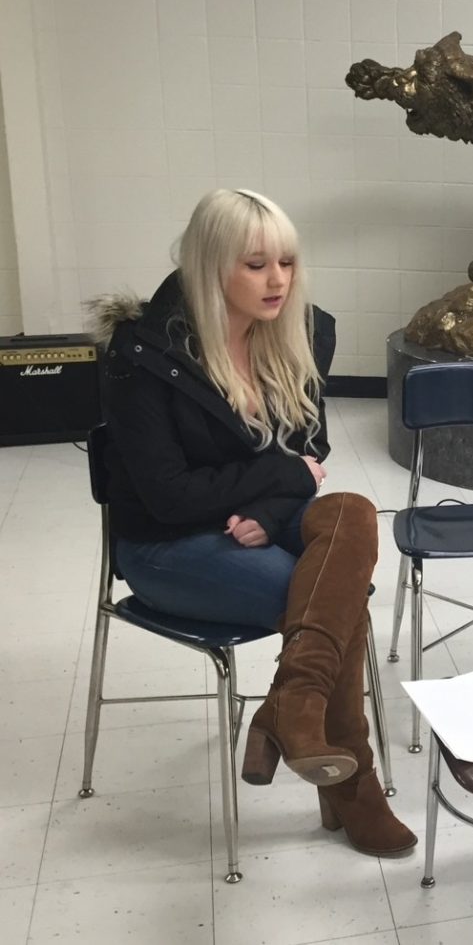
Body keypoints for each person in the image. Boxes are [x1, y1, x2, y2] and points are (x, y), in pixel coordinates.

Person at [89, 188, 416, 856]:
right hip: (166, 545)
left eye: (288, 263)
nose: (278, 281)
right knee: (333, 598)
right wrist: (287, 480)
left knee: (351, 512)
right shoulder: (143, 356)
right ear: (212, 267)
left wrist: (273, 508)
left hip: (259, 518)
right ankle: (353, 788)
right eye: (257, 265)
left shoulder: (299, 330)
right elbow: (173, 498)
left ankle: (289, 706)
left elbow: (311, 449)